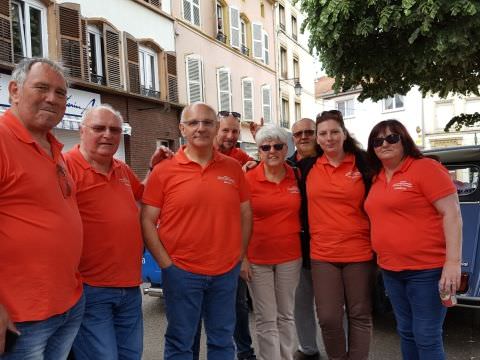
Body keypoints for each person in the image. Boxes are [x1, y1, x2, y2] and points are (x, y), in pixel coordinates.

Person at [141, 102, 252, 360]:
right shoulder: (163, 171)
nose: (200, 128)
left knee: (222, 340)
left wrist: (239, 255)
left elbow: (245, 213)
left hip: (225, 272)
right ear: (182, 129)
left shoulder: (233, 168)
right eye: (193, 123)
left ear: (216, 128)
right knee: (181, 340)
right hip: (181, 272)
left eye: (207, 122)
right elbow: (147, 220)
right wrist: (166, 265)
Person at [0, 58, 84, 358]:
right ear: (14, 90)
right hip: (21, 317)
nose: (52, 98)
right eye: (41, 88)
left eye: (60, 93)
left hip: (67, 305)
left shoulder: (54, 146)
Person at [65, 105, 160, 359]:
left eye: (115, 130)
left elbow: (145, 196)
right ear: (81, 131)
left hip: (129, 287)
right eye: (99, 128)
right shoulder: (65, 168)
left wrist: (153, 169)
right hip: (90, 288)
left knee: (131, 355)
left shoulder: (121, 169)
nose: (108, 135)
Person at [364, 119, 462, 360]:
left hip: (426, 270)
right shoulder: (376, 178)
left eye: (391, 138)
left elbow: (453, 214)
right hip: (390, 269)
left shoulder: (425, 168)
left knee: (426, 335)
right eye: (378, 141)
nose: (384, 143)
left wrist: (453, 262)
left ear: (404, 140)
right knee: (406, 332)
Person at [306, 110, 374, 359]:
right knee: (328, 317)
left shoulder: (364, 163)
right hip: (323, 254)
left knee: (360, 314)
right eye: (322, 133)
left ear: (344, 134)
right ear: (317, 138)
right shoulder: (308, 165)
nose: (329, 138)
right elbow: (276, 168)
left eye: (334, 132)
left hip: (359, 251)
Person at [244, 125, 302, 360]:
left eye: (277, 146)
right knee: (266, 317)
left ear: (286, 149)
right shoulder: (247, 179)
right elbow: (237, 220)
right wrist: (242, 258)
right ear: (259, 152)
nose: (272, 151)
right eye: (265, 147)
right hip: (257, 258)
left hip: (290, 256)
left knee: (286, 315)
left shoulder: (296, 175)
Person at [287, 118, 322, 360]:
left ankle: (339, 350)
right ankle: (308, 349)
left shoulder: (328, 161)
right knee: (301, 304)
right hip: (295, 247)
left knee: (332, 307)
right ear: (293, 138)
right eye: (298, 133)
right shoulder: (286, 166)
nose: (304, 137)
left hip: (325, 245)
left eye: (309, 132)